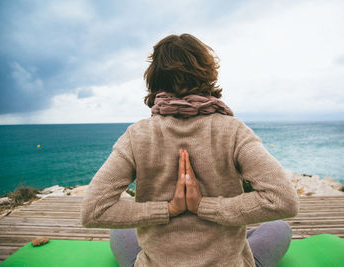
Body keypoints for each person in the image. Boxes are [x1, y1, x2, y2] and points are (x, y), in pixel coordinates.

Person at [81, 33, 299, 267]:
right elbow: (283, 200)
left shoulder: (137, 135)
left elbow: (94, 210)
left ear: (154, 79)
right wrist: (205, 208)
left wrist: (167, 210)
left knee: (118, 232)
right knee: (279, 228)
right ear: (207, 73)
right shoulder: (233, 130)